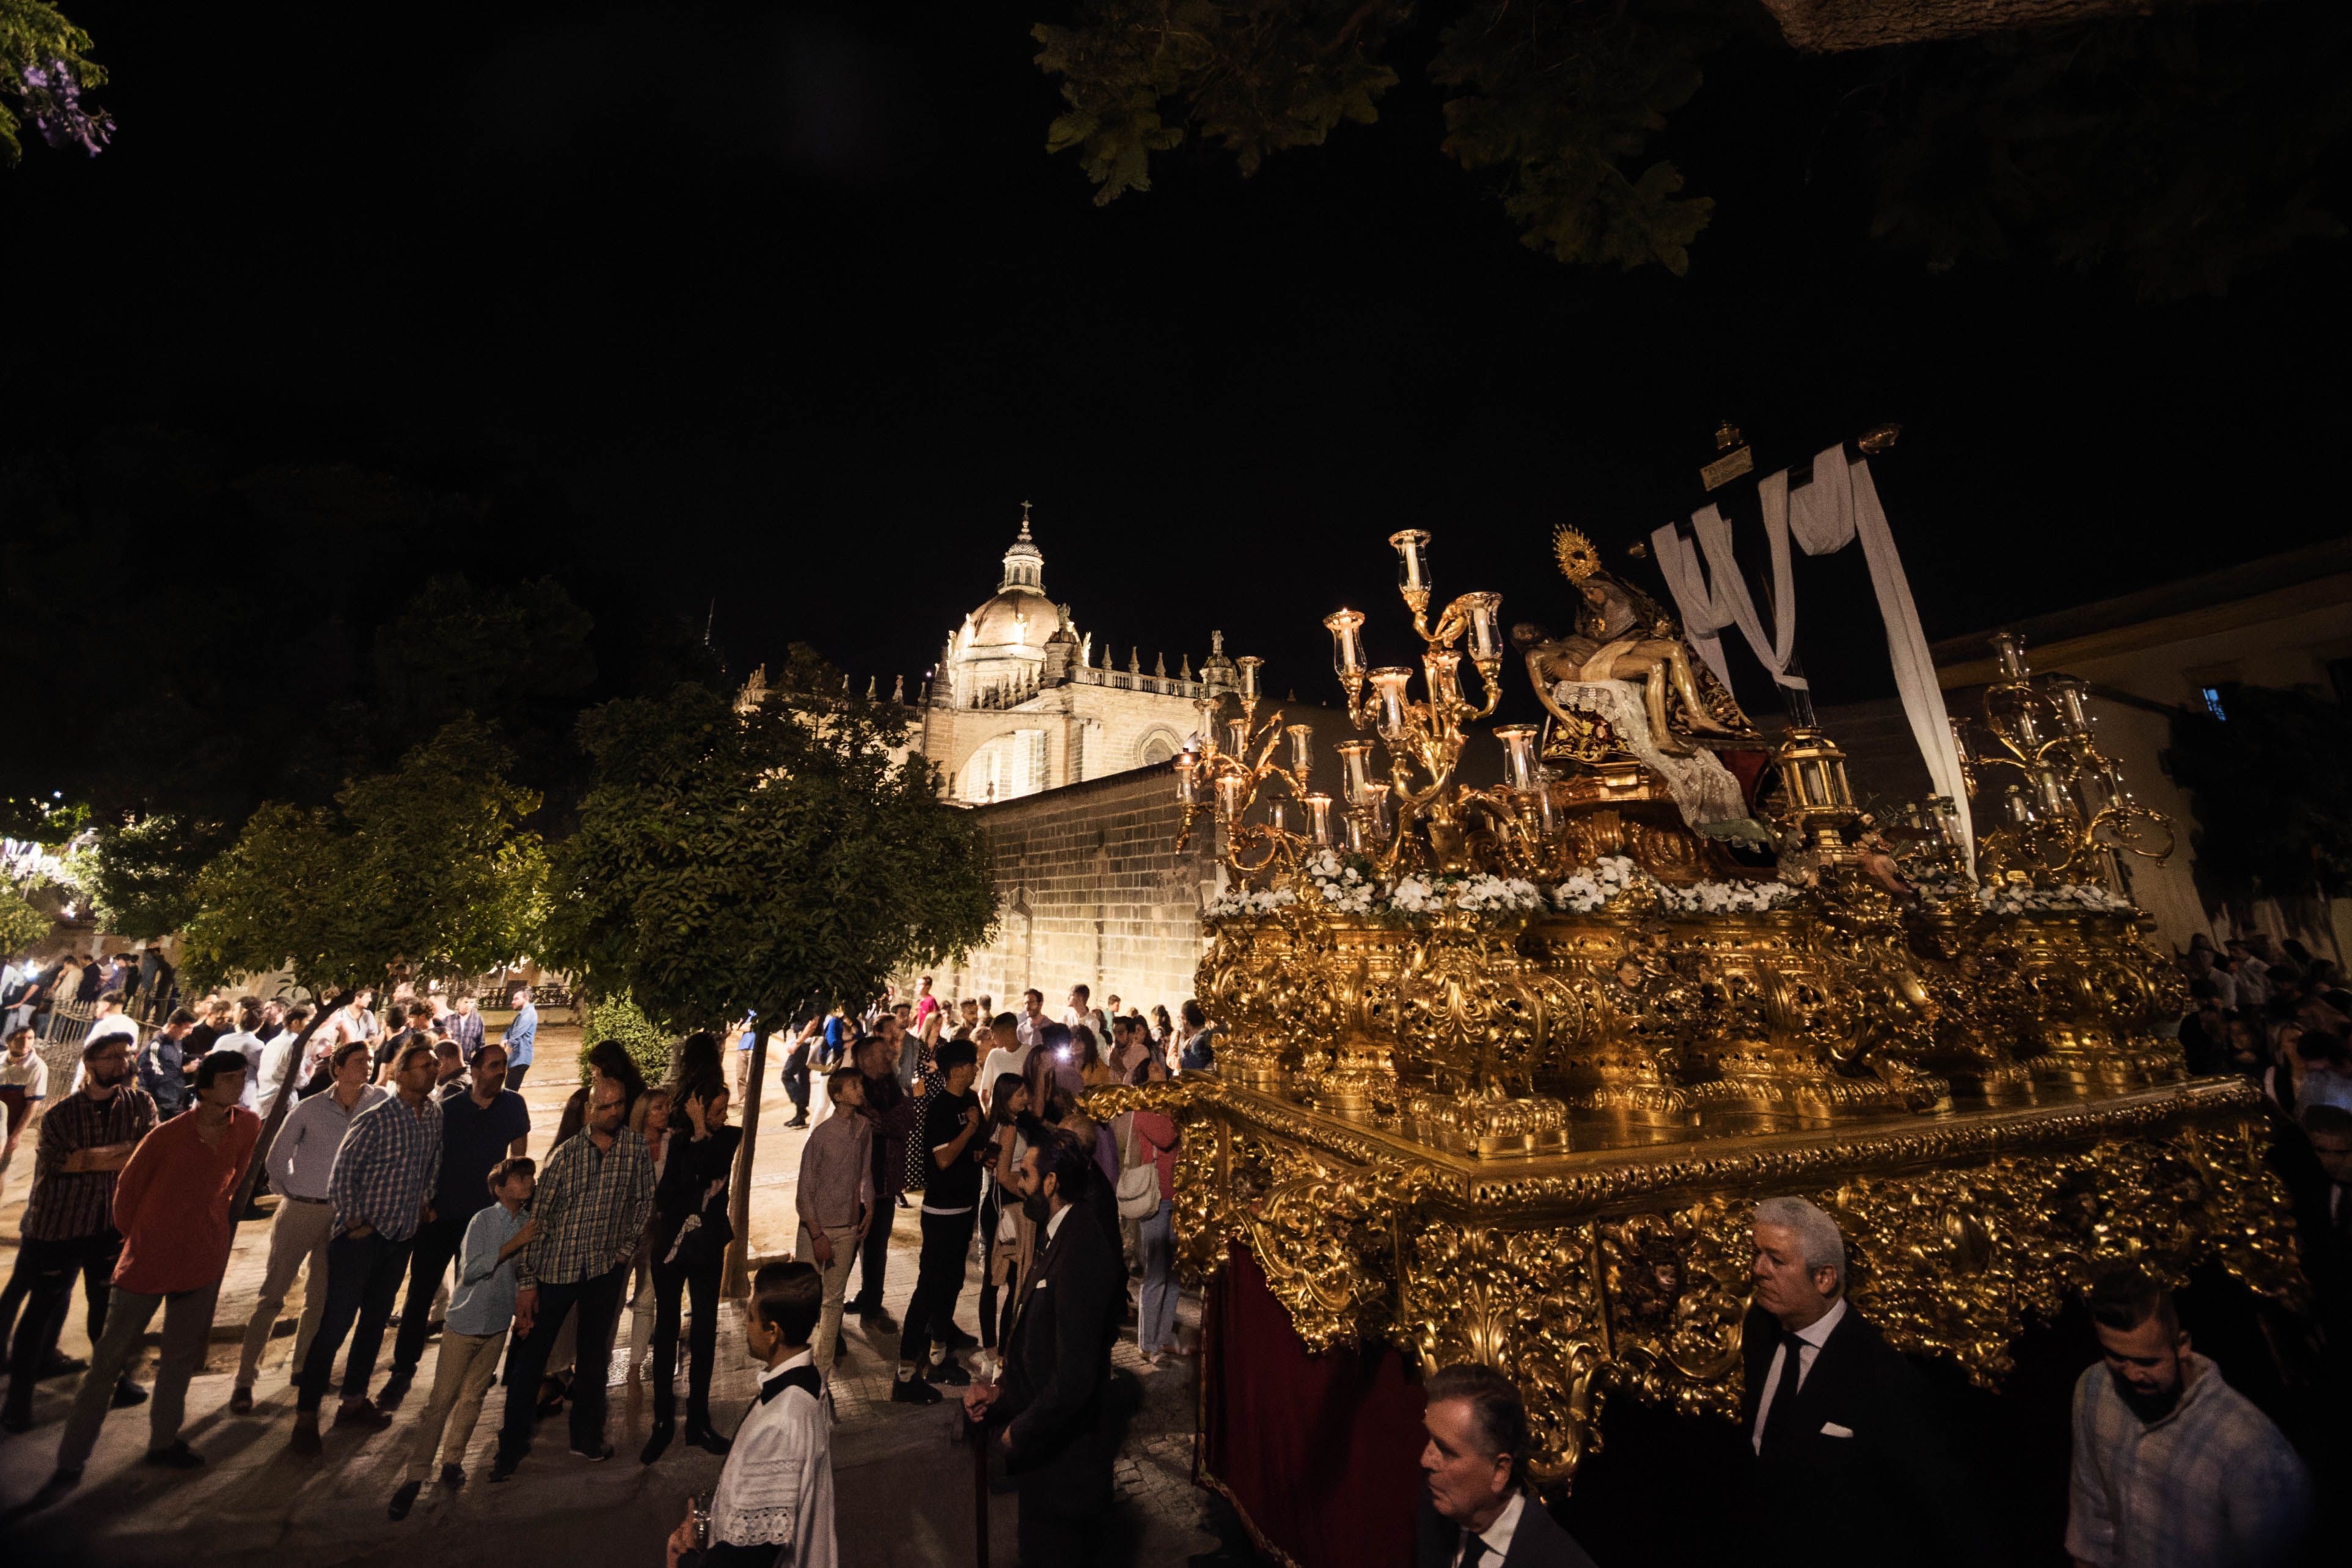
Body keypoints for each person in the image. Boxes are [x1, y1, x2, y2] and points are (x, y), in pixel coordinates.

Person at [47, 1049, 260, 1484]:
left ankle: (163, 1441)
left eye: (242, 1078)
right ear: (205, 1086)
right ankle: (71, 1460)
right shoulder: (167, 1136)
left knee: (179, 1360)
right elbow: (126, 1194)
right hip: (148, 1258)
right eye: (229, 1079)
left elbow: (235, 1179)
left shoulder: (249, 1126)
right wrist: (143, 1236)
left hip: (202, 1257)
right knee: (108, 1362)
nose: (238, 1087)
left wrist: (211, 1223)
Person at [1739, 1196, 1980, 1568]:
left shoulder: (1885, 1377)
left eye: (1776, 1260)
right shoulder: (1760, 1329)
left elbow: (1943, 1510)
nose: (1758, 1269)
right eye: (1757, 1254)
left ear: (1824, 1278)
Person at [2065, 1265, 2310, 1567]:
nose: (2131, 1374)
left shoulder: (2251, 1448)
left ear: (2182, 1345)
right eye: (2116, 1357)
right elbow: (2092, 1528)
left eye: (2147, 1361)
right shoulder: (2094, 1390)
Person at [961, 1130, 1122, 1564]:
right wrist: (999, 1399)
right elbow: (1041, 1352)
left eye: (1027, 1174)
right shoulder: (1061, 1234)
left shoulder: (1082, 1246)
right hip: (1046, 1461)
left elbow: (1074, 1372)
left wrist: (1022, 1428)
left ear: (1051, 1183)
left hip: (1064, 1466)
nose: (1019, 1182)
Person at [491, 1071, 656, 1478]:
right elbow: (536, 1223)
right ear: (588, 1111)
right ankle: (510, 1448)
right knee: (532, 1361)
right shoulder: (565, 1158)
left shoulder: (634, 1149)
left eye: (619, 1104)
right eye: (605, 1106)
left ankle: (586, 1438)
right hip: (556, 1270)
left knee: (595, 1357)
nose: (613, 1112)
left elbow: (642, 1203)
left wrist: (622, 1252)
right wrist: (527, 1284)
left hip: (603, 1269)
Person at [288, 1040, 444, 1455]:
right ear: (399, 1073)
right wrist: (356, 1221)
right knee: (335, 1325)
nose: (432, 1071)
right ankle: (305, 1416)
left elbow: (432, 1164)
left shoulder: (433, 1116)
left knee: (374, 1324)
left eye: (434, 1065)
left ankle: (354, 1401)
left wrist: (423, 1204)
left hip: (400, 1238)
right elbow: (342, 1174)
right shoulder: (376, 1118)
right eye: (423, 1065)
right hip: (362, 1239)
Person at [2, 1031, 156, 1432]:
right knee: (41, 1310)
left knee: (105, 1308)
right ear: (89, 1064)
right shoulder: (61, 1114)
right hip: (58, 1227)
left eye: (125, 1055)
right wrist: (123, 1154)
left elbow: (148, 1156)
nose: (121, 1063)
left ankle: (112, 1380)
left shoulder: (140, 1103)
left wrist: (97, 1158)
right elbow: (63, 1162)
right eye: (110, 1057)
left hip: (108, 1224)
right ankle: (17, 1401)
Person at [378, 1041, 531, 1410]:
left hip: (482, 1220)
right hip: (441, 1216)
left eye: (504, 1065)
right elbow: (424, 1159)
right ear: (474, 1071)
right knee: (421, 1293)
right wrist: (424, 1202)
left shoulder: (514, 1105)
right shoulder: (446, 1110)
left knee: (478, 1291)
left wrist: (511, 1205)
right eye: (493, 1065)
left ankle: (470, 1366)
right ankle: (404, 1369)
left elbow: (519, 1161)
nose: (500, 1071)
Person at [233, 1039, 385, 1411]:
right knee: (273, 1295)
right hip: (301, 1210)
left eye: (369, 1060)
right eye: (358, 1061)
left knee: (320, 1297)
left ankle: (303, 1369)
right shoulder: (310, 1108)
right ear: (338, 1068)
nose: (366, 1066)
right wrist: (296, 1192)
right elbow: (275, 1160)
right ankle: (244, 1379)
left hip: (345, 1215)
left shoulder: (379, 1102)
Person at [389, 1156, 538, 1520]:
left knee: (473, 1398)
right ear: (500, 1189)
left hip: (497, 1324)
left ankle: (452, 1461)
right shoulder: (484, 1220)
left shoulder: (527, 1223)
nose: (528, 1182)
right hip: (465, 1322)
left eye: (529, 1177)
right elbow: (470, 1270)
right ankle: (415, 1476)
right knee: (441, 1401)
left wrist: (524, 1309)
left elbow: (524, 1273)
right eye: (520, 1177)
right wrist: (515, 1243)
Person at [662, 1261, 837, 1568]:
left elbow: (752, 1555)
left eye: (752, 1317)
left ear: (773, 1331)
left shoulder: (782, 1423)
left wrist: (684, 1559)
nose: (745, 1323)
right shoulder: (804, 1382)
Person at [1415, 1362, 1599, 1568]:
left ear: (1499, 1472)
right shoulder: (1433, 1517)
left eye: (1446, 1452)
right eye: (1429, 1440)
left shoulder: (1559, 1560)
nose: (1425, 1460)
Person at [644, 1073, 741, 1463]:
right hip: (670, 1247)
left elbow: (703, 1177)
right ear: (696, 1107)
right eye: (714, 1110)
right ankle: (662, 1421)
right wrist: (695, 1137)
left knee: (705, 1330)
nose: (722, 1116)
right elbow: (672, 1193)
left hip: (707, 1245)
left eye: (724, 1110)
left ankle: (698, 1420)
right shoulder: (675, 1141)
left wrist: (704, 1133)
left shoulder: (727, 1139)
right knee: (666, 1331)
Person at [894, 1039, 987, 1405]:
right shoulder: (939, 1109)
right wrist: (968, 1132)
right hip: (940, 1212)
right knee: (928, 1289)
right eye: (972, 1065)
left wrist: (983, 1154)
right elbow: (944, 1160)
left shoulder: (972, 1102)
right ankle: (904, 1374)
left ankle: (938, 1358)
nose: (976, 1070)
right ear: (958, 1069)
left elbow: (972, 1150)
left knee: (951, 1285)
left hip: (965, 1209)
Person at [794, 1068, 872, 1375]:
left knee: (833, 1302)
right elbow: (804, 1191)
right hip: (817, 1229)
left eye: (860, 1083)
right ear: (838, 1095)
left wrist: (869, 1210)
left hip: (848, 1228)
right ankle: (796, 1366)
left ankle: (821, 1373)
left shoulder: (864, 1127)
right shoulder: (822, 1135)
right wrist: (816, 1234)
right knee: (804, 1300)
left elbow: (864, 1173)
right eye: (854, 1086)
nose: (860, 1089)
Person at [844, 1034, 914, 1333]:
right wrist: (889, 1122)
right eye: (883, 1053)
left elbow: (907, 1119)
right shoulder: (852, 1089)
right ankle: (830, 1318)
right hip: (854, 1187)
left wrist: (886, 1123)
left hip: (885, 1183)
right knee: (846, 1250)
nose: (890, 1056)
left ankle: (872, 1305)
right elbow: (862, 1124)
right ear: (866, 1060)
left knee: (877, 1248)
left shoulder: (890, 1087)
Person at [1126, 1057, 1183, 1362]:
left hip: (1178, 1197)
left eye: (1163, 1069)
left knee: (1175, 1275)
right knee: (1157, 1273)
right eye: (1155, 1071)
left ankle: (1163, 1337)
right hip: (1156, 1198)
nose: (1162, 1074)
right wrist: (1175, 1110)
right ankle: (1148, 1344)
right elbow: (1167, 1136)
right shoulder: (1144, 1111)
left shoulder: (1171, 1108)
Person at [979, 1072, 1035, 1361]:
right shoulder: (1009, 1128)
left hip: (993, 1206)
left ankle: (992, 1346)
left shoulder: (995, 1123)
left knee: (993, 1276)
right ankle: (1001, 1350)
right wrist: (1030, 1192)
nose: (1026, 1099)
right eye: (1020, 1094)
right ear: (1007, 1098)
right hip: (1007, 1207)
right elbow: (1003, 1175)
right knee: (1010, 1277)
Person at [2, 1022, 49, 1172]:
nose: (26, 1043)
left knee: (2, 1167)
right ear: (9, 1041)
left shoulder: (37, 1067)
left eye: (30, 1038)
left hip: (10, 1124)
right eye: (20, 1039)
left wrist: (17, 1135)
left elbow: (33, 1104)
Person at [980, 1011, 1033, 1108]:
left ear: (1010, 1032)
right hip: (998, 1113)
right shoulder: (994, 1055)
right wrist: (986, 1110)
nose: (993, 1038)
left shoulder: (1029, 1053)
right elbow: (985, 1090)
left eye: (995, 1033)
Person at [502, 984, 538, 1091]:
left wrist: (503, 1055)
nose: (513, 1002)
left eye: (516, 999)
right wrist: (504, 1039)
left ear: (526, 998)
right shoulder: (523, 1014)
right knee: (509, 1089)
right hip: (516, 1059)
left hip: (520, 1059)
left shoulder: (529, 1014)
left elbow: (515, 1037)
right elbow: (510, 1031)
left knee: (511, 1091)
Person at [443, 989, 485, 1063]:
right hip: (449, 1062)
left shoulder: (478, 1020)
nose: (468, 1005)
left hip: (468, 1062)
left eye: (472, 1002)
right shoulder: (448, 1020)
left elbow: (481, 1044)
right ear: (459, 1002)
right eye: (466, 1002)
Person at [1065, 984, 1108, 1050]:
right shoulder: (1065, 1019)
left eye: (1072, 995)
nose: (1068, 997)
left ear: (1080, 997)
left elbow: (1091, 1044)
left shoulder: (1093, 1022)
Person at [1178, 999, 1215, 1071]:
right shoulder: (1207, 1034)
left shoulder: (1199, 1042)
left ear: (1186, 1021)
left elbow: (1190, 1069)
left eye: (1180, 1019)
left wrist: (1187, 1051)